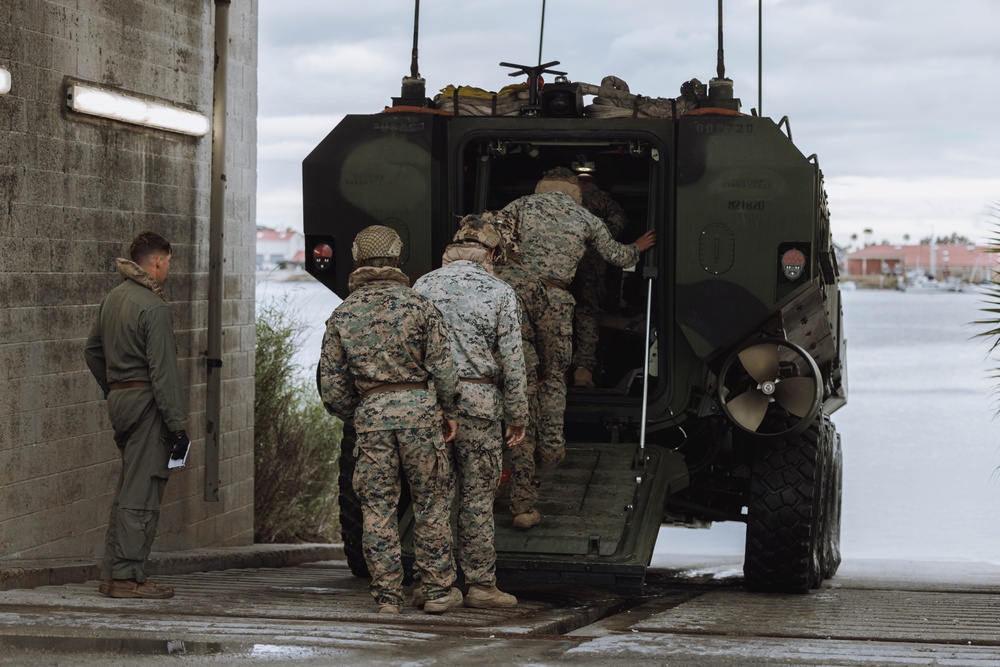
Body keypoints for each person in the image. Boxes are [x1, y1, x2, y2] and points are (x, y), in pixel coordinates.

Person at [318, 225, 463, 615]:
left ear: (356, 258)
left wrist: (363, 412)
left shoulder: (342, 314)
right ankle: (435, 592)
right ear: (398, 258)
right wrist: (448, 411)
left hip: (372, 418)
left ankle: (387, 598)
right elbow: (445, 372)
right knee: (431, 504)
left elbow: (331, 387)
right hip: (420, 414)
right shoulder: (420, 306)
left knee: (377, 508)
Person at [499, 167, 656, 471]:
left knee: (515, 372)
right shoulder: (584, 217)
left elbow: (489, 238)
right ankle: (552, 452)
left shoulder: (519, 206)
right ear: (576, 192)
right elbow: (619, 256)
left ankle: (518, 451)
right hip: (556, 302)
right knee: (554, 378)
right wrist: (637, 247)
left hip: (515, 300)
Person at [413, 215, 529, 608]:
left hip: (429, 407)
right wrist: (518, 416)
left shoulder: (423, 285)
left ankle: (434, 588)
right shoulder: (499, 291)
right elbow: (513, 360)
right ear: (492, 253)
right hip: (479, 408)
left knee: (433, 497)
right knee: (478, 500)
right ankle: (480, 587)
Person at [84, 231, 188, 600]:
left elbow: (92, 351)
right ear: (158, 261)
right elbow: (164, 373)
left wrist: (115, 389)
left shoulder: (113, 298)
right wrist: (178, 425)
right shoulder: (153, 306)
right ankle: (128, 577)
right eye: (169, 263)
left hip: (122, 403)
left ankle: (113, 574)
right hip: (148, 409)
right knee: (142, 494)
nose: (168, 270)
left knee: (128, 489)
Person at [489, 210, 551, 530]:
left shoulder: (477, 280)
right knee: (522, 435)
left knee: (485, 431)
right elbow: (545, 330)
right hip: (523, 362)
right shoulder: (528, 280)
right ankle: (523, 506)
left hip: (482, 363)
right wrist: (548, 369)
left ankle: (481, 498)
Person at [570, 171, 630, 389]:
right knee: (587, 313)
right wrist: (600, 238)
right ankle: (583, 370)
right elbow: (619, 219)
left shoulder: (561, 200)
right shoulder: (602, 199)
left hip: (561, 264)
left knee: (555, 313)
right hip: (592, 265)